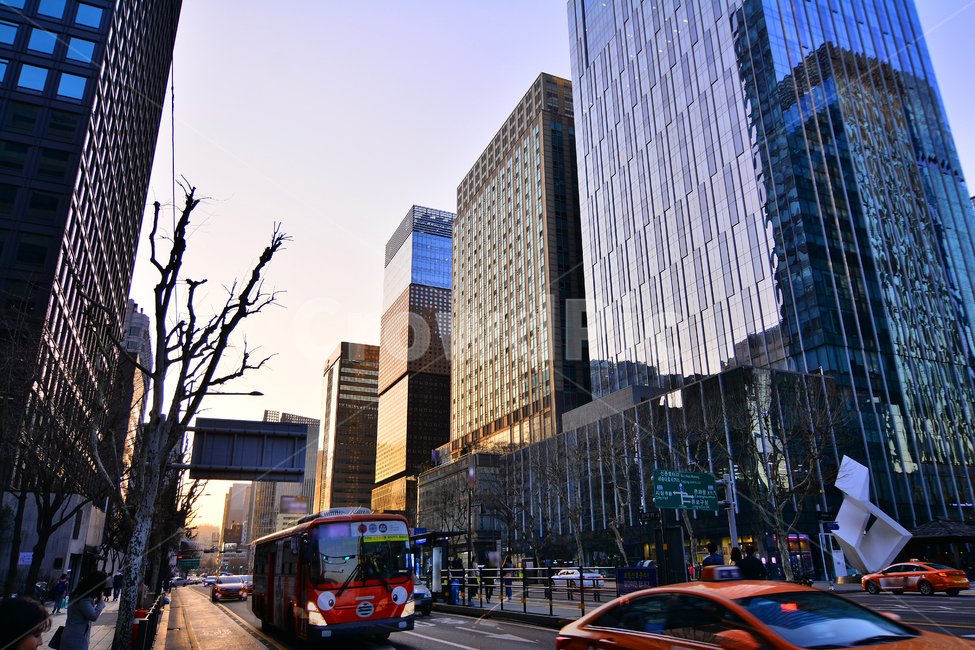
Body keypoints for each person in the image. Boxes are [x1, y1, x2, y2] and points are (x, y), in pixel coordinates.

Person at [62, 570, 107, 650]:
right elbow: (93, 616)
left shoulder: (77, 594)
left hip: (70, 633)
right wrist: (101, 602)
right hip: (76, 638)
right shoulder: (84, 600)